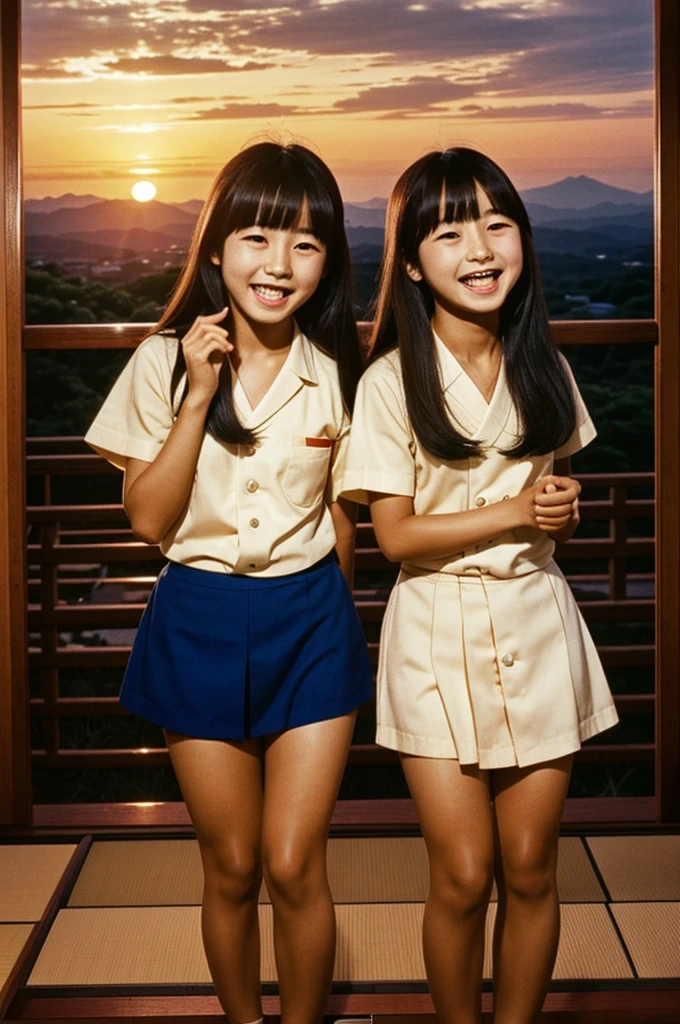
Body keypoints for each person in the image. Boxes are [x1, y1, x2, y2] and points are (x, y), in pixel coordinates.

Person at [85, 141, 373, 1024]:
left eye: (305, 244)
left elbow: (342, 514)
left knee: (295, 861)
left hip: (311, 619)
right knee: (232, 864)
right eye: (255, 237)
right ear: (215, 248)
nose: (277, 265)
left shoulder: (344, 372)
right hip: (197, 617)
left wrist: (342, 616)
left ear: (328, 264)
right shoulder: (161, 360)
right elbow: (147, 518)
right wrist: (198, 396)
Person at [341, 147, 618, 1024]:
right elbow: (395, 536)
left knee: (533, 868)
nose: (481, 248)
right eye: (450, 231)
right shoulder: (391, 379)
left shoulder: (545, 364)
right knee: (463, 875)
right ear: (413, 263)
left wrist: (558, 511)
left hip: (537, 622)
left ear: (523, 241)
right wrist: (512, 511)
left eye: (498, 225)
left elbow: (551, 510)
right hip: (434, 635)